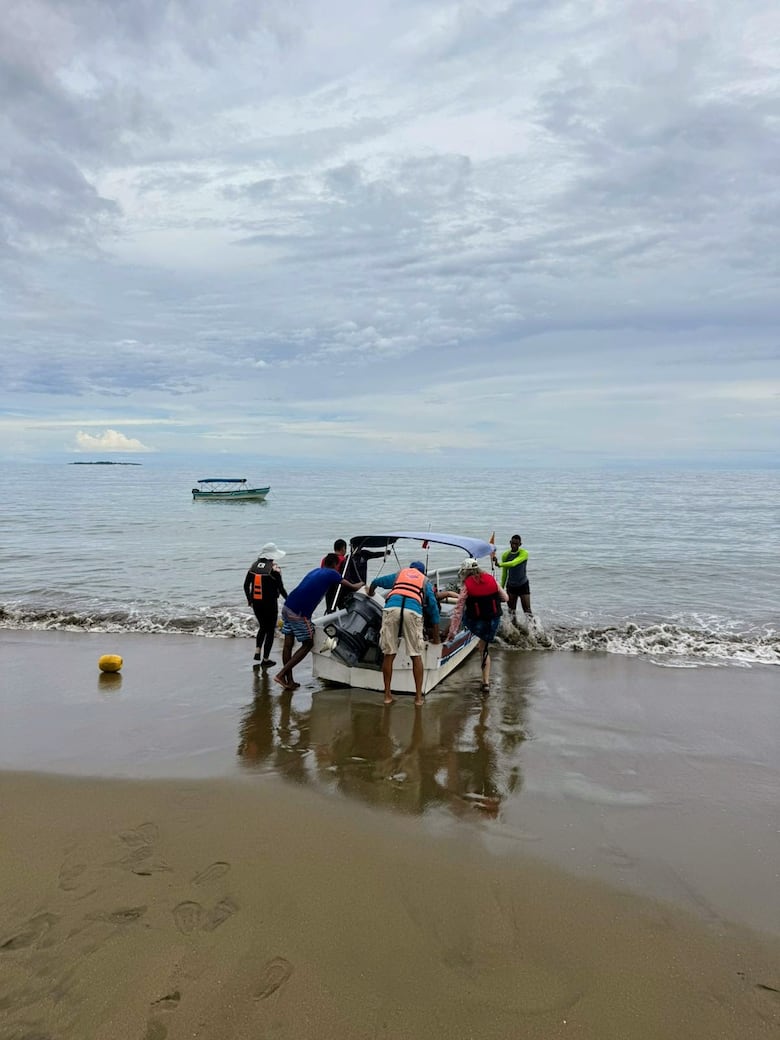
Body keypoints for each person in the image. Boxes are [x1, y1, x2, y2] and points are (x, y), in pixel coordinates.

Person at [274, 553, 363, 690]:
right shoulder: (333, 573)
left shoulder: (316, 570)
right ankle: (281, 675)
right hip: (300, 613)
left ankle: (289, 681)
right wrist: (362, 584)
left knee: (288, 645)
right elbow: (352, 587)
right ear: (336, 565)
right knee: (308, 644)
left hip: (288, 606)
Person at [368, 561, 440, 707]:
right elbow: (433, 609)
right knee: (415, 655)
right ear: (422, 572)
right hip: (412, 611)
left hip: (391, 608)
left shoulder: (399, 575)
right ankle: (418, 698)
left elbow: (375, 582)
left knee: (389, 653)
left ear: (410, 569)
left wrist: (370, 593)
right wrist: (436, 637)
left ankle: (387, 696)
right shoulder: (425, 581)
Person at [454, 557, 508, 693]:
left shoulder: (466, 586)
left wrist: (452, 631)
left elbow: (458, 610)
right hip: (493, 621)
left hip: (476, 622)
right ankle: (485, 682)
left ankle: (466, 633)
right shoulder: (491, 580)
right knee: (484, 649)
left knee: (464, 615)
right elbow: (505, 598)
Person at [243, 543, 288, 668]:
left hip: (256, 603)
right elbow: (281, 589)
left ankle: (257, 650)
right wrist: (289, 600)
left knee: (262, 627)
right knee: (270, 630)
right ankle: (266, 659)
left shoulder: (253, 566)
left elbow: (246, 585)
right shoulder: (274, 569)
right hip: (270, 603)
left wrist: (249, 600)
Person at [334, 539, 388, 610]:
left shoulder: (364, 554)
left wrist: (385, 553)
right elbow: (345, 574)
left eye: (360, 546)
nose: (358, 548)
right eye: (355, 546)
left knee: (363, 600)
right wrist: (352, 585)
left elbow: (374, 554)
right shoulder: (348, 558)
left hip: (362, 583)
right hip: (352, 585)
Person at [499, 533, 532, 624]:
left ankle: (534, 629)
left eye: (516, 544)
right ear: (510, 542)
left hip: (523, 585)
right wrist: (501, 588)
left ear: (520, 544)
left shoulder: (524, 553)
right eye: (512, 543)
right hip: (511, 586)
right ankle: (515, 629)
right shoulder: (505, 555)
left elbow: (514, 563)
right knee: (511, 612)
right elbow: (504, 573)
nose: (514, 546)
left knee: (527, 611)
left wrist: (500, 564)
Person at [322, 539, 348, 611]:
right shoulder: (343, 560)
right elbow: (346, 575)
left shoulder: (325, 559)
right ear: (343, 548)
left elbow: (322, 572)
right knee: (343, 609)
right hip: (340, 587)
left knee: (330, 609)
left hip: (327, 587)